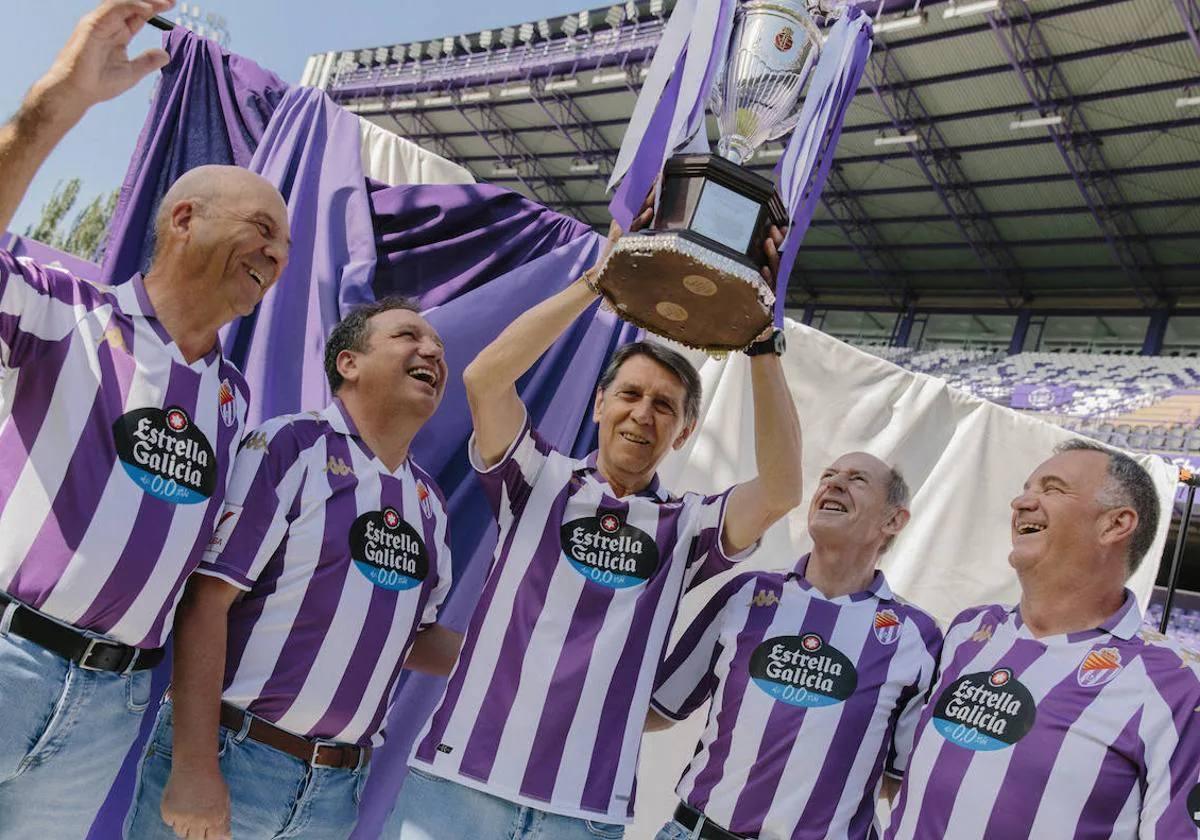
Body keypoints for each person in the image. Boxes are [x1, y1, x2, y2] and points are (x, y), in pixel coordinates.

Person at [388, 213, 804, 840]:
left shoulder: (687, 527)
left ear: (684, 431)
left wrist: (762, 345)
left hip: (582, 813)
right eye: (631, 395)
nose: (643, 414)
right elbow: (484, 379)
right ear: (599, 404)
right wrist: (597, 281)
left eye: (664, 406)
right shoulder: (536, 479)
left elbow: (780, 489)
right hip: (457, 785)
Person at [0, 1, 291, 834]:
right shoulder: (67, 306)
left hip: (108, 708)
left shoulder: (234, 408)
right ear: (183, 218)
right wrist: (58, 100)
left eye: (286, 248)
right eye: (263, 230)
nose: (275, 255)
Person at [124, 299, 463, 839]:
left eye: (440, 350)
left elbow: (411, 637)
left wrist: (513, 664)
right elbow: (205, 602)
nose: (432, 352)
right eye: (408, 336)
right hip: (232, 758)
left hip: (334, 794)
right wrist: (193, 768)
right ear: (348, 363)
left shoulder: (430, 504)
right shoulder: (291, 446)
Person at [885, 440, 1200, 839]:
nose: (1021, 502)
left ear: (1115, 525)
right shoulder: (970, 633)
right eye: (1027, 488)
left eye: (1051, 489)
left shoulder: (1176, 684)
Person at [649, 452, 942, 840]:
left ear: (893, 520)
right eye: (828, 475)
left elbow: (900, 781)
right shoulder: (748, 593)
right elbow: (661, 706)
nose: (833, 484)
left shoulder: (916, 637)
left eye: (857, 480)